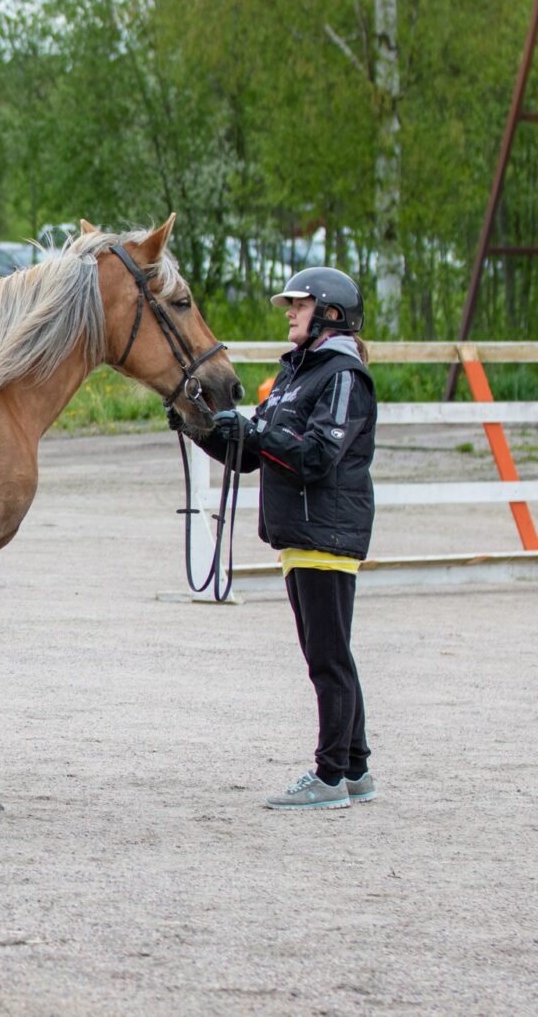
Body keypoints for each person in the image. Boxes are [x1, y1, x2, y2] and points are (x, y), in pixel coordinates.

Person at [182, 266, 377, 810]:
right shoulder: (298, 373)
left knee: (327, 658)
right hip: (305, 534)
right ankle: (355, 769)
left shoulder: (342, 376)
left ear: (330, 313)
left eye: (299, 304)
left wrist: (254, 429)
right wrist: (202, 430)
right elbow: (251, 455)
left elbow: (317, 455)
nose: (290, 312)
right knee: (331, 652)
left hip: (327, 533)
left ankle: (330, 775)